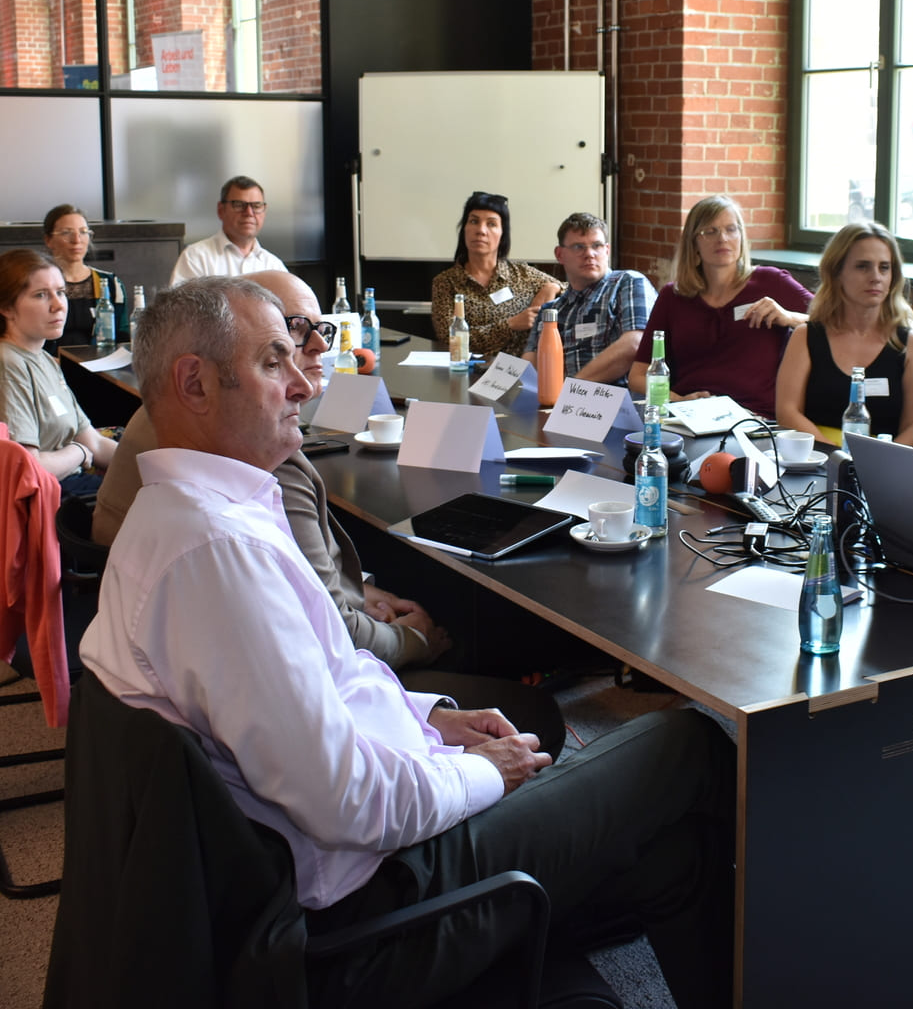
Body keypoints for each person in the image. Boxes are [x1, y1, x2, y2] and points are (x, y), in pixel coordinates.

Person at [78, 277, 733, 1009]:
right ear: (194, 384)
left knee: (678, 857)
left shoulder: (184, 514)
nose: (303, 383)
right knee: (688, 743)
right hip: (371, 904)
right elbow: (346, 802)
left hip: (362, 849)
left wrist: (432, 720)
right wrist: (485, 772)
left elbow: (327, 681)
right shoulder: (216, 552)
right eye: (272, 362)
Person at [92, 271, 564, 752]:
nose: (319, 346)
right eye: (290, 337)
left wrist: (359, 588)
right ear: (203, 373)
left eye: (322, 329)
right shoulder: (246, 468)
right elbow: (326, 749)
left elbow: (304, 588)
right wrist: (421, 641)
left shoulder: (189, 432)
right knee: (483, 637)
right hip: (332, 731)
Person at [0, 249, 116, 501]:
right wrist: (78, 453)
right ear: (6, 308)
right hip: (47, 499)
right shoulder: (5, 365)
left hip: (65, 485)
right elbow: (26, 469)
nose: (58, 305)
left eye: (61, 292)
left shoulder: (43, 359)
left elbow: (95, 442)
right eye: (41, 295)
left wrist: (147, 463)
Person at [628, 194, 810, 420]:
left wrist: (790, 318)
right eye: (710, 231)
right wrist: (678, 400)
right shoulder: (673, 296)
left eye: (731, 229)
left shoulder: (772, 282)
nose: (722, 238)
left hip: (754, 419)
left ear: (741, 236)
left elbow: (833, 319)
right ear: (694, 243)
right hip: (689, 417)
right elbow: (638, 375)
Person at [774, 222, 913, 446]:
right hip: (814, 457)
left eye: (884, 267)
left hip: (882, 461)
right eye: (862, 267)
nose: (876, 277)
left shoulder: (912, 344)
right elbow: (787, 412)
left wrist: (875, 461)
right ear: (837, 273)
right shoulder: (806, 337)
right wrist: (838, 459)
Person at [519, 211, 654, 384]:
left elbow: (636, 343)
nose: (590, 254)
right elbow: (530, 368)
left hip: (616, 397)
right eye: (578, 247)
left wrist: (573, 388)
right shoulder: (550, 310)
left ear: (607, 250)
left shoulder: (628, 283)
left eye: (597, 246)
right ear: (560, 255)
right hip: (557, 397)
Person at [429, 191, 560, 361]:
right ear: (464, 229)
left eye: (491, 224)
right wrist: (510, 325)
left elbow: (570, 289)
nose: (481, 230)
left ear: (502, 233)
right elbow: (450, 339)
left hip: (520, 371)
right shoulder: (446, 282)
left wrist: (551, 287)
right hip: (468, 371)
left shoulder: (522, 275)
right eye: (474, 221)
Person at [169, 175, 287, 284]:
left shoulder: (274, 266)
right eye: (239, 205)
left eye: (256, 206)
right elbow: (179, 300)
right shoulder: (196, 257)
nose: (249, 213)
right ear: (221, 210)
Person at [40, 204, 116, 349]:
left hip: (98, 361)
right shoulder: (37, 284)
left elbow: (123, 337)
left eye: (83, 232)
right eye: (66, 233)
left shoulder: (108, 283)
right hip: (48, 361)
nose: (77, 240)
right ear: (48, 240)